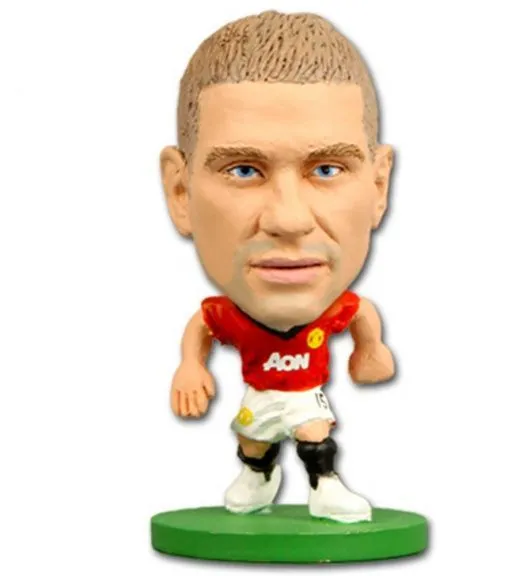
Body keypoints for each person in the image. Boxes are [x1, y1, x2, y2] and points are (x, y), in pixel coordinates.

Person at [160, 10, 395, 524]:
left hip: (304, 395)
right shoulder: (228, 317)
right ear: (180, 192)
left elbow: (360, 315)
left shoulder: (335, 310)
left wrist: (372, 349)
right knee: (252, 439)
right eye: (244, 170)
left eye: (327, 169)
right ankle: (257, 475)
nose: (289, 219)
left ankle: (324, 485)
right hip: (259, 396)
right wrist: (190, 365)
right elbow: (203, 327)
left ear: (378, 188)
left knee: (313, 432)